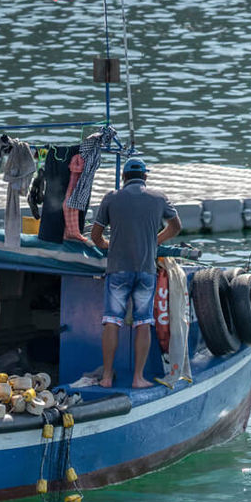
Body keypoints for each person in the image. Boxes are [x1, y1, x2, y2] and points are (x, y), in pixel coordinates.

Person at [89, 157, 181, 389]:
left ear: (123, 177)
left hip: (117, 270)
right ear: (145, 177)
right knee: (143, 322)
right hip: (145, 270)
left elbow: (95, 236)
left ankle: (107, 377)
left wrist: (111, 245)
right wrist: (154, 241)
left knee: (111, 321)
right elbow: (176, 227)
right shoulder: (159, 198)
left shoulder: (111, 198)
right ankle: (139, 378)